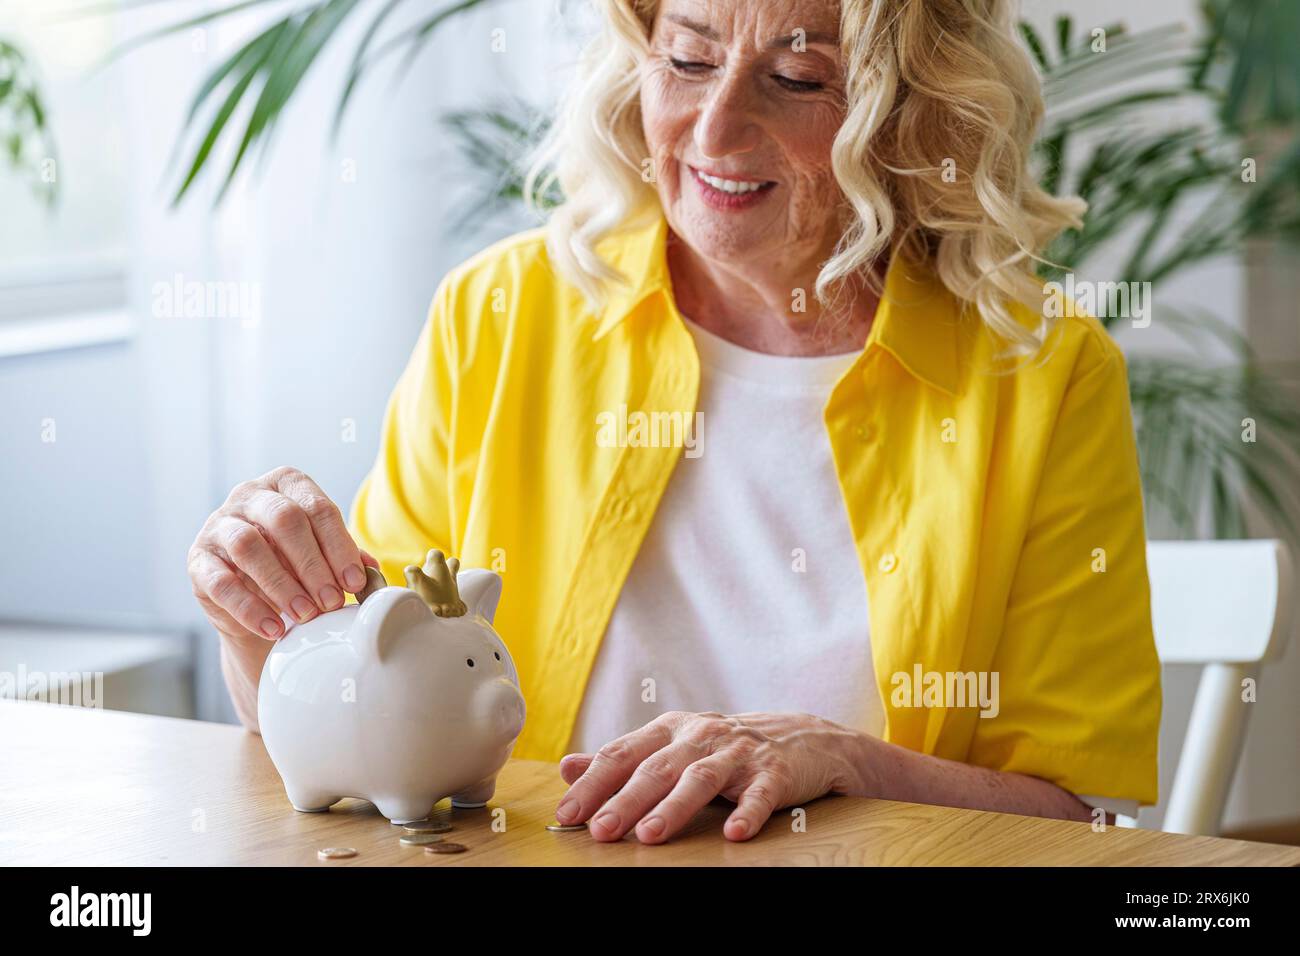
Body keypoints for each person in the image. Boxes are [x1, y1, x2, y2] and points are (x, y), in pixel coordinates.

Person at [189, 0, 1161, 845]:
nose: (715, 129)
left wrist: (843, 762)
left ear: (912, 106)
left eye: (795, 77)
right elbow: (369, 710)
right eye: (688, 59)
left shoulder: (1042, 375)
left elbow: (1069, 816)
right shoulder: (499, 315)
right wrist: (261, 621)